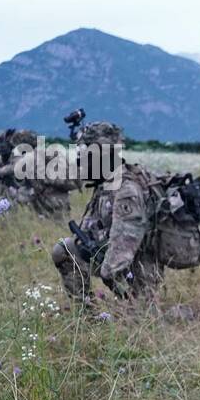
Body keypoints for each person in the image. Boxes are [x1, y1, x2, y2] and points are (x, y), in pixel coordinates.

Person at [51, 121, 164, 300]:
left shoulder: (126, 188)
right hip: (113, 259)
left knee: (142, 320)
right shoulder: (106, 183)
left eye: (84, 154)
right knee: (64, 250)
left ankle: (188, 314)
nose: (80, 160)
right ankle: (85, 317)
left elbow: (126, 240)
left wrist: (109, 271)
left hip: (138, 268)